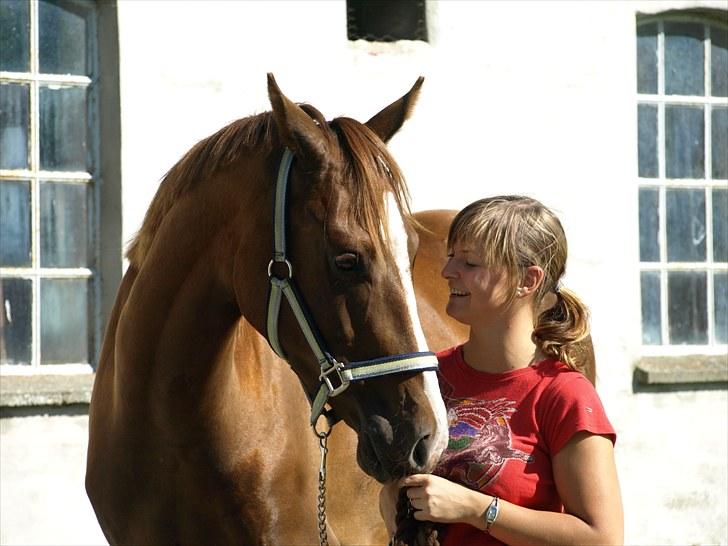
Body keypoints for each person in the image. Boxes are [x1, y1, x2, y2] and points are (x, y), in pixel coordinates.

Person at [380, 195, 623, 545]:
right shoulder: (429, 378)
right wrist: (391, 500)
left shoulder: (564, 394)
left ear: (528, 280)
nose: (448, 272)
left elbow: (602, 538)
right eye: (451, 257)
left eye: (470, 263)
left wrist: (476, 509)